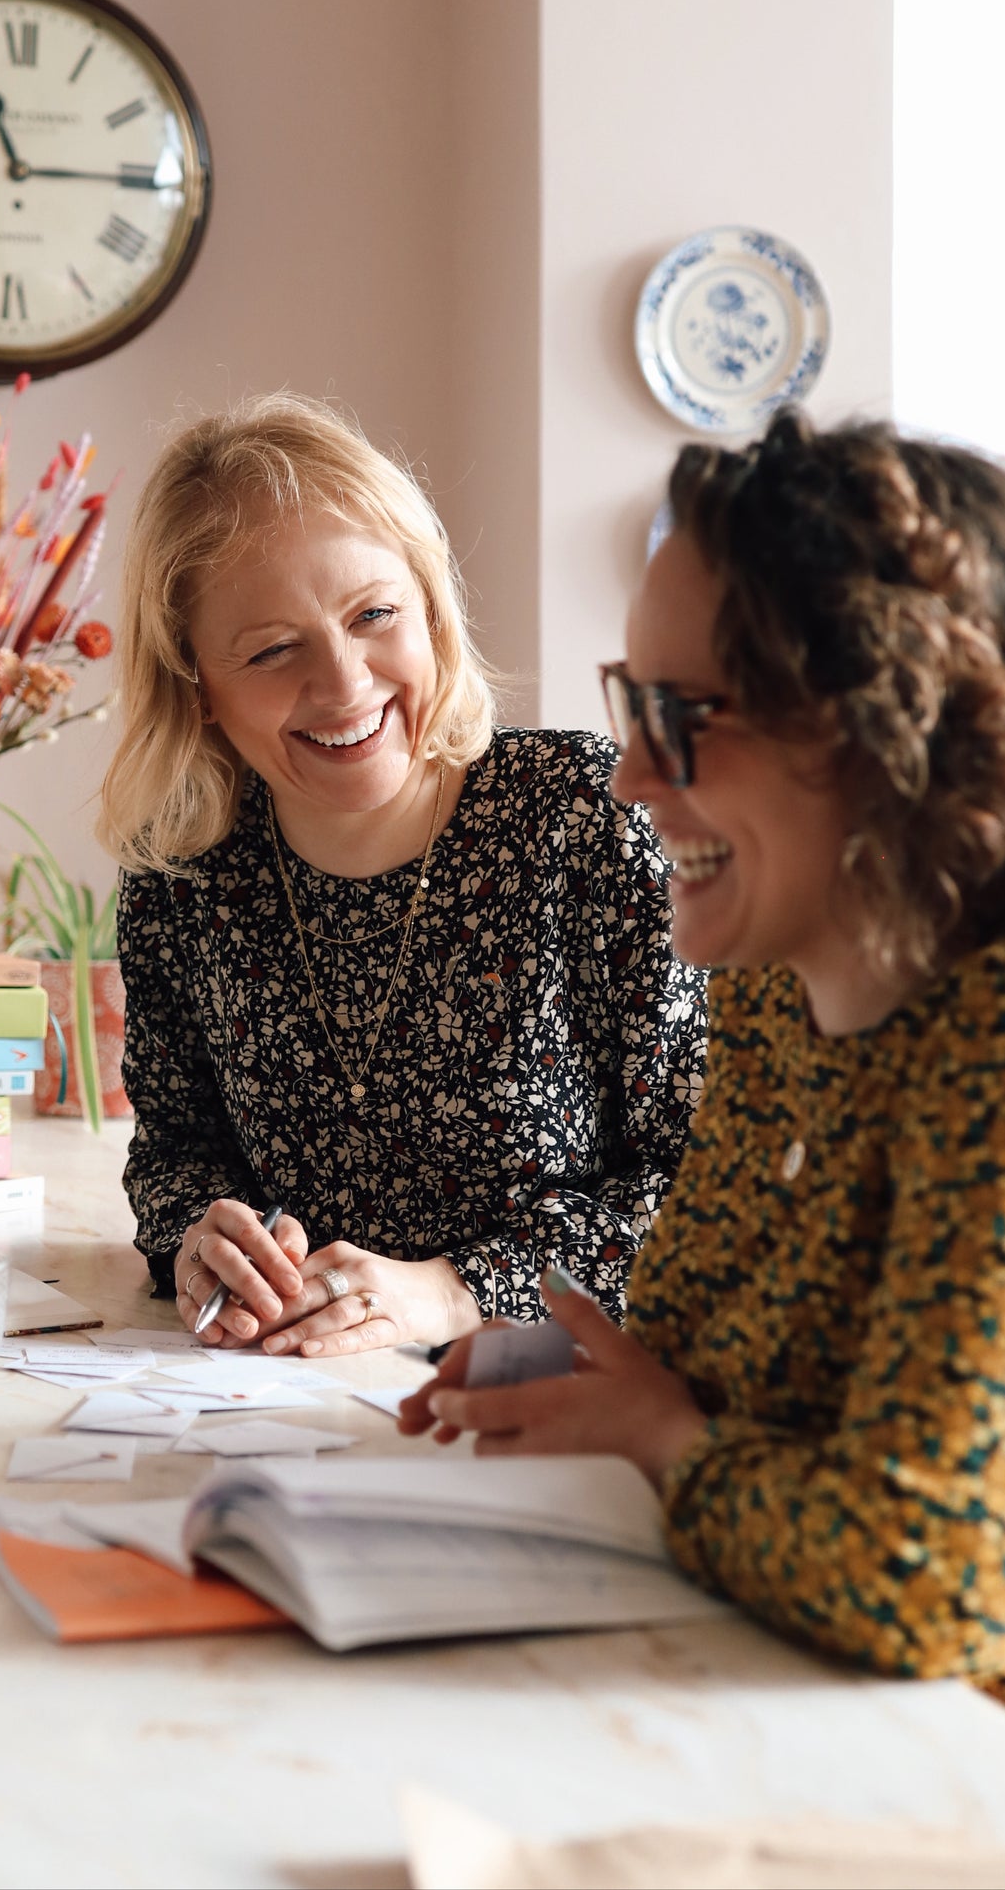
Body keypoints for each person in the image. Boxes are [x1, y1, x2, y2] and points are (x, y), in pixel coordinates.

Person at [401, 411, 1005, 1753]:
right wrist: (558, 1374)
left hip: (1000, 1769)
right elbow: (717, 1365)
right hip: (782, 1681)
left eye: (680, 717)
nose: (635, 776)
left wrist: (664, 1443)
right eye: (628, 704)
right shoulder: (780, 970)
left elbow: (941, 1576)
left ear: (883, 726)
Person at [97, 395, 705, 1360]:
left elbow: (712, 1187)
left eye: (374, 614)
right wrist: (201, 1241)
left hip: (560, 1391)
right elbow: (173, 1152)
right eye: (272, 649)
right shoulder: (184, 877)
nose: (344, 684)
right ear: (196, 687)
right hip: (286, 1401)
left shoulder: (587, 814)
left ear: (430, 607)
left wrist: (460, 1292)